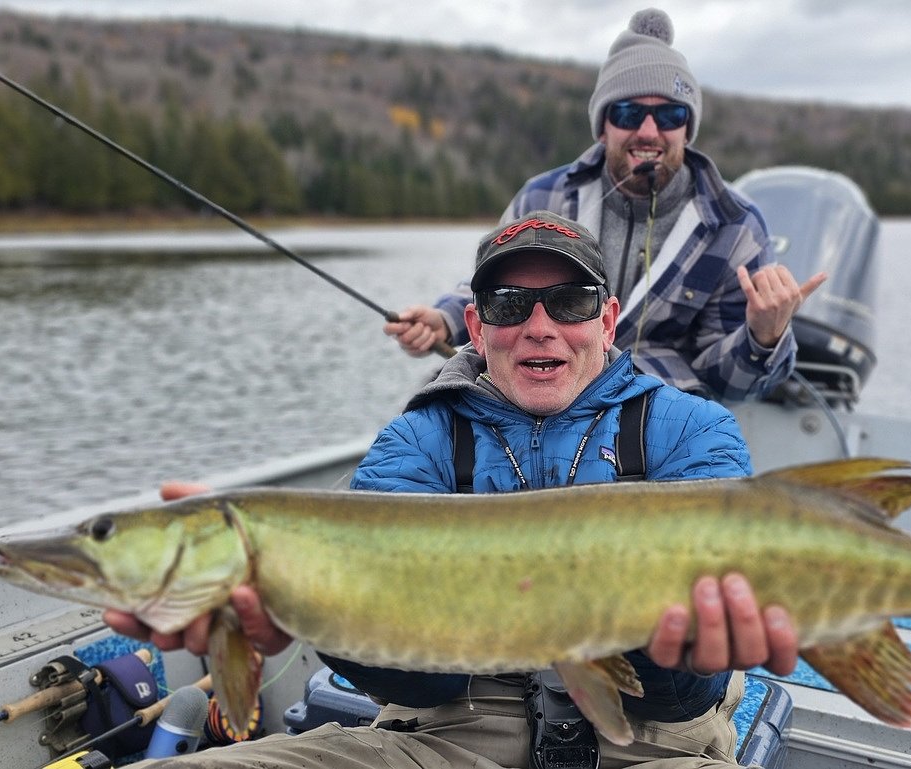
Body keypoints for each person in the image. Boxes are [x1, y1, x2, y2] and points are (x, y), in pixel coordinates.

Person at [105, 210, 799, 768]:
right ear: (476, 324)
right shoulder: (418, 439)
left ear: (607, 319)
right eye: (509, 302)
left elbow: (688, 696)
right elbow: (415, 680)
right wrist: (315, 610)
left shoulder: (692, 429)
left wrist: (662, 645)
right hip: (445, 737)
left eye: (570, 300)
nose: (539, 324)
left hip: (650, 744)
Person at [386, 8, 826, 402]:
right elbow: (498, 291)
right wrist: (443, 319)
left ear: (687, 128)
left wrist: (763, 335)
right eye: (629, 114)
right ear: (603, 126)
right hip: (542, 404)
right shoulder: (543, 197)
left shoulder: (736, 226)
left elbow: (733, 382)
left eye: (670, 115)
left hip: (659, 424)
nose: (649, 131)